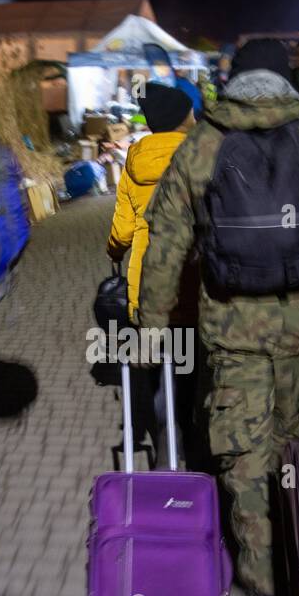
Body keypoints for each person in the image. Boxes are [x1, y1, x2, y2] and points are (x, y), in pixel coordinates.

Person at [139, 39, 299, 596]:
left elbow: (165, 243)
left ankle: (262, 575)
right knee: (294, 442)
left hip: (232, 332)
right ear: (287, 80)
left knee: (242, 452)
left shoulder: (202, 144)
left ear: (233, 80)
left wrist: (149, 325)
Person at [105, 81, 202, 467]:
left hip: (145, 282)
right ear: (183, 118)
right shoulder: (202, 155)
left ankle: (166, 439)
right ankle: (190, 443)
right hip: (192, 276)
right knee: (190, 366)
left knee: (159, 360)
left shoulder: (134, 160)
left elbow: (122, 231)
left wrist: (113, 252)